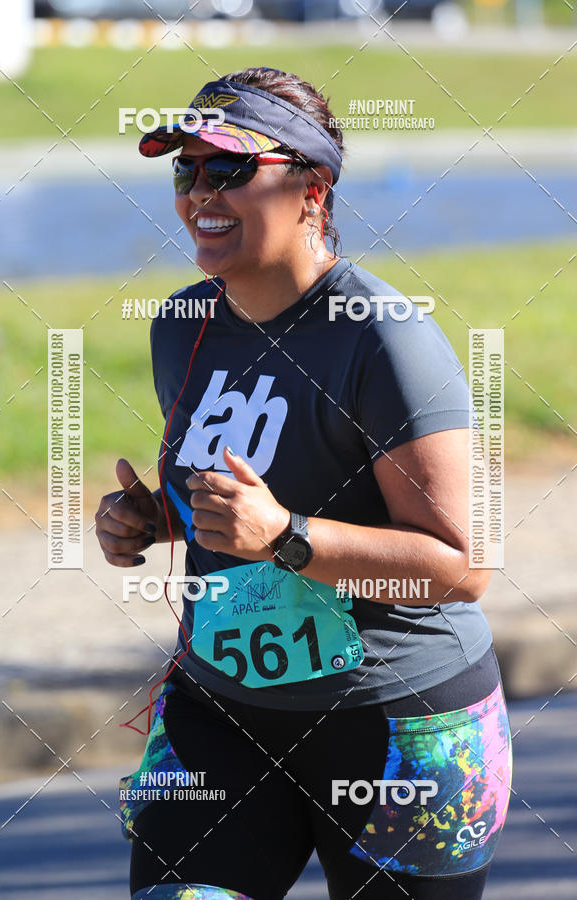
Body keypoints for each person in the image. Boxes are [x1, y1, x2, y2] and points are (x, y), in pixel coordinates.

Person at [95, 67, 512, 900]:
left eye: (230, 168)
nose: (200, 193)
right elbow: (251, 496)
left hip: (397, 725)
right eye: (186, 169)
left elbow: (461, 565)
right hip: (220, 714)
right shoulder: (184, 325)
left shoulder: (386, 338)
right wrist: (158, 520)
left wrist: (285, 536)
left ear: (311, 189)